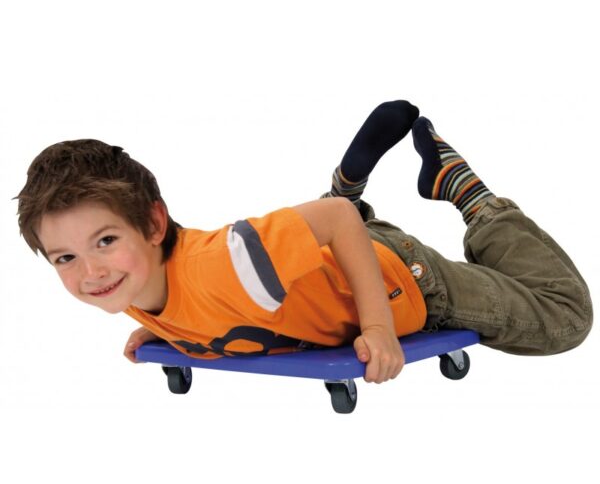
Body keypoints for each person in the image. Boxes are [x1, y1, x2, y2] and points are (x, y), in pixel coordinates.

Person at [14, 101, 593, 385]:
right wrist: (169, 330)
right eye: (65, 257)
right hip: (332, 265)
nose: (90, 272)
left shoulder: (226, 265)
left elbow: (334, 223)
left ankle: (465, 191)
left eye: (105, 240)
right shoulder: (131, 284)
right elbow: (191, 301)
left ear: (154, 224)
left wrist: (379, 329)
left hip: (405, 283)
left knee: (565, 318)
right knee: (329, 229)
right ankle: (348, 189)